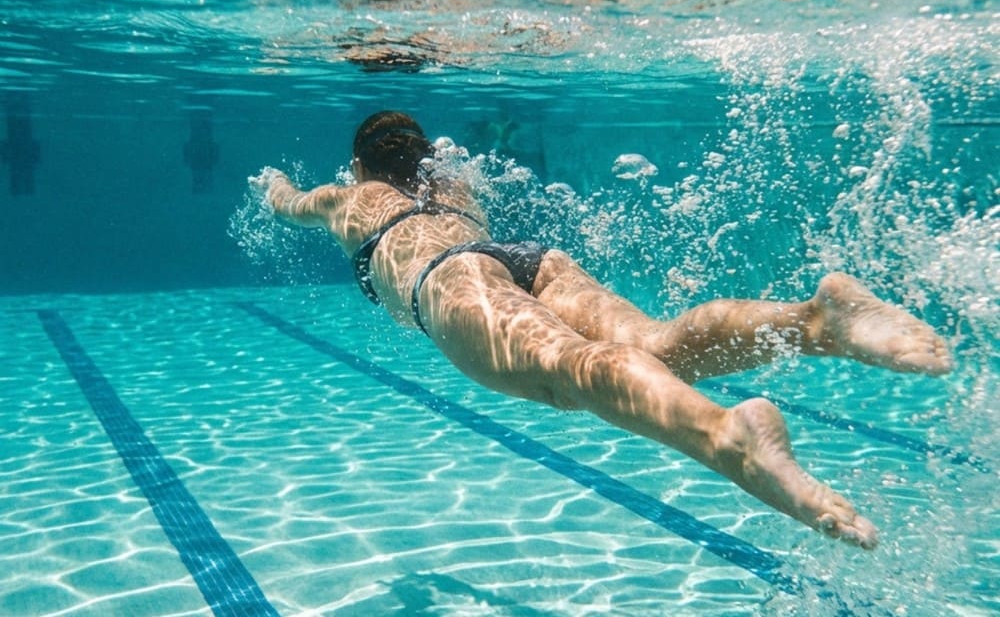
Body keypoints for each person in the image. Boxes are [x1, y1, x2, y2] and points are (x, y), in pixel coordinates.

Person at [252, 110, 952, 550]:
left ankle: (724, 437)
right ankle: (818, 321)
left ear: (360, 165)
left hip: (453, 280)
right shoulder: (454, 188)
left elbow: (286, 205)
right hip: (531, 260)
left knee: (576, 371)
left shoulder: (348, 197)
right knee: (658, 342)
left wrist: (273, 183)